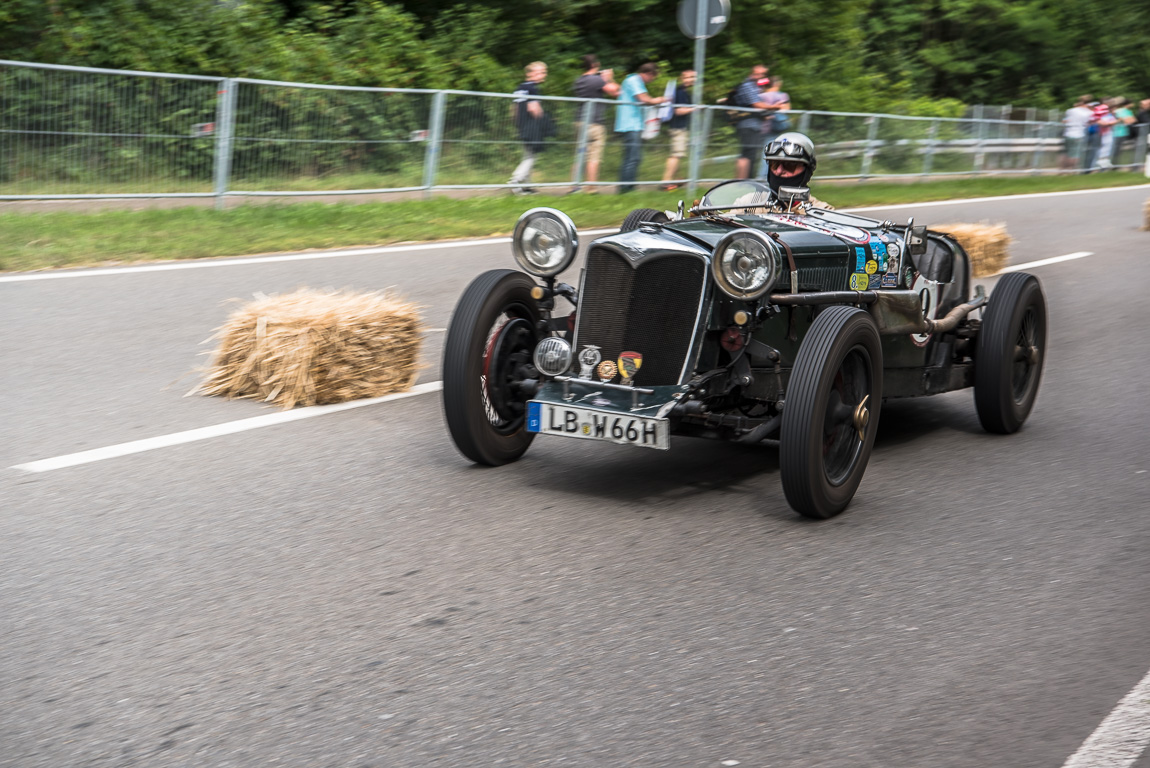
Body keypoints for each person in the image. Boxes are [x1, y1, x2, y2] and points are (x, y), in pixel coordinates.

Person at [614, 62, 667, 193]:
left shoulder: (632, 80)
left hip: (632, 123)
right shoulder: (634, 80)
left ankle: (627, 186)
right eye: (652, 77)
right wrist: (660, 100)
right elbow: (644, 98)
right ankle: (626, 188)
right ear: (649, 74)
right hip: (630, 124)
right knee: (633, 157)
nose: (651, 80)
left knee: (632, 157)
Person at [572, 55, 620, 193]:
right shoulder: (596, 79)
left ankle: (574, 186)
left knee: (580, 155)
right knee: (594, 156)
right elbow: (615, 91)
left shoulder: (579, 80)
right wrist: (608, 78)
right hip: (595, 123)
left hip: (579, 121)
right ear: (595, 64)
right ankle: (591, 188)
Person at [760, 132, 834, 212]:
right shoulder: (750, 203)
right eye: (774, 164)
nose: (779, 171)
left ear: (807, 170)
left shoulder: (822, 212)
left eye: (789, 165)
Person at [508, 62, 549, 195]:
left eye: (544, 72)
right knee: (531, 156)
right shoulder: (532, 88)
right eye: (540, 72)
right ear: (529, 74)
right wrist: (544, 123)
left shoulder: (520, 87)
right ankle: (516, 180)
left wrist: (517, 123)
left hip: (522, 124)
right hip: (532, 126)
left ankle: (527, 186)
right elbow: (534, 109)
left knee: (528, 154)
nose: (543, 74)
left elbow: (513, 109)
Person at [731, 65, 772, 179]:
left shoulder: (756, 86)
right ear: (753, 73)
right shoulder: (747, 85)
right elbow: (756, 104)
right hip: (748, 125)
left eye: (763, 74)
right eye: (759, 74)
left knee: (750, 154)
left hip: (753, 125)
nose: (761, 77)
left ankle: (745, 181)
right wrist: (774, 106)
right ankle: (741, 181)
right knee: (747, 154)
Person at [660, 70, 695, 190]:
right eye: (687, 77)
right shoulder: (680, 92)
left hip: (679, 127)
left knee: (678, 153)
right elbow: (678, 111)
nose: (690, 79)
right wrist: (695, 109)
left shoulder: (683, 91)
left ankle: (678, 179)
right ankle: (666, 182)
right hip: (677, 127)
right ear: (682, 78)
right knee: (676, 154)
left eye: (692, 77)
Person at [757, 77, 792, 177]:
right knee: (775, 153)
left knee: (764, 151)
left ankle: (762, 175)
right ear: (777, 84)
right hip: (778, 127)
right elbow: (786, 109)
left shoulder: (761, 96)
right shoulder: (782, 95)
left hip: (763, 127)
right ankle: (766, 176)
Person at [1061, 95, 1093, 171]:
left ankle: (1062, 170)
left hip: (1068, 133)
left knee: (1066, 153)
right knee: (1075, 154)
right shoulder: (1089, 113)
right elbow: (1089, 123)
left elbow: (1065, 121)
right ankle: (1071, 170)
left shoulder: (1070, 110)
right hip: (1079, 134)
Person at [1110, 97, 1137, 166]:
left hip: (1124, 132)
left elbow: (1133, 120)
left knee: (1121, 150)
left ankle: (1118, 164)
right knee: (1116, 150)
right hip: (1117, 132)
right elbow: (1128, 121)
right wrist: (1127, 120)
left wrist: (1126, 120)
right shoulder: (1119, 111)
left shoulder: (1127, 111)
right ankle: (1114, 164)